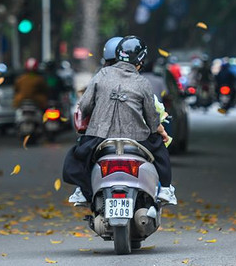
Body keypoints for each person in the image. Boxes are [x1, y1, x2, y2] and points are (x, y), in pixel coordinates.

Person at [63, 35, 177, 205]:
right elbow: (152, 120)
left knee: (79, 153)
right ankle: (166, 189)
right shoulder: (142, 82)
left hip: (98, 138)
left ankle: (81, 190)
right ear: (140, 60)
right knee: (160, 151)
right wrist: (160, 132)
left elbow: (84, 106)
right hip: (137, 139)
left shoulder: (101, 75)